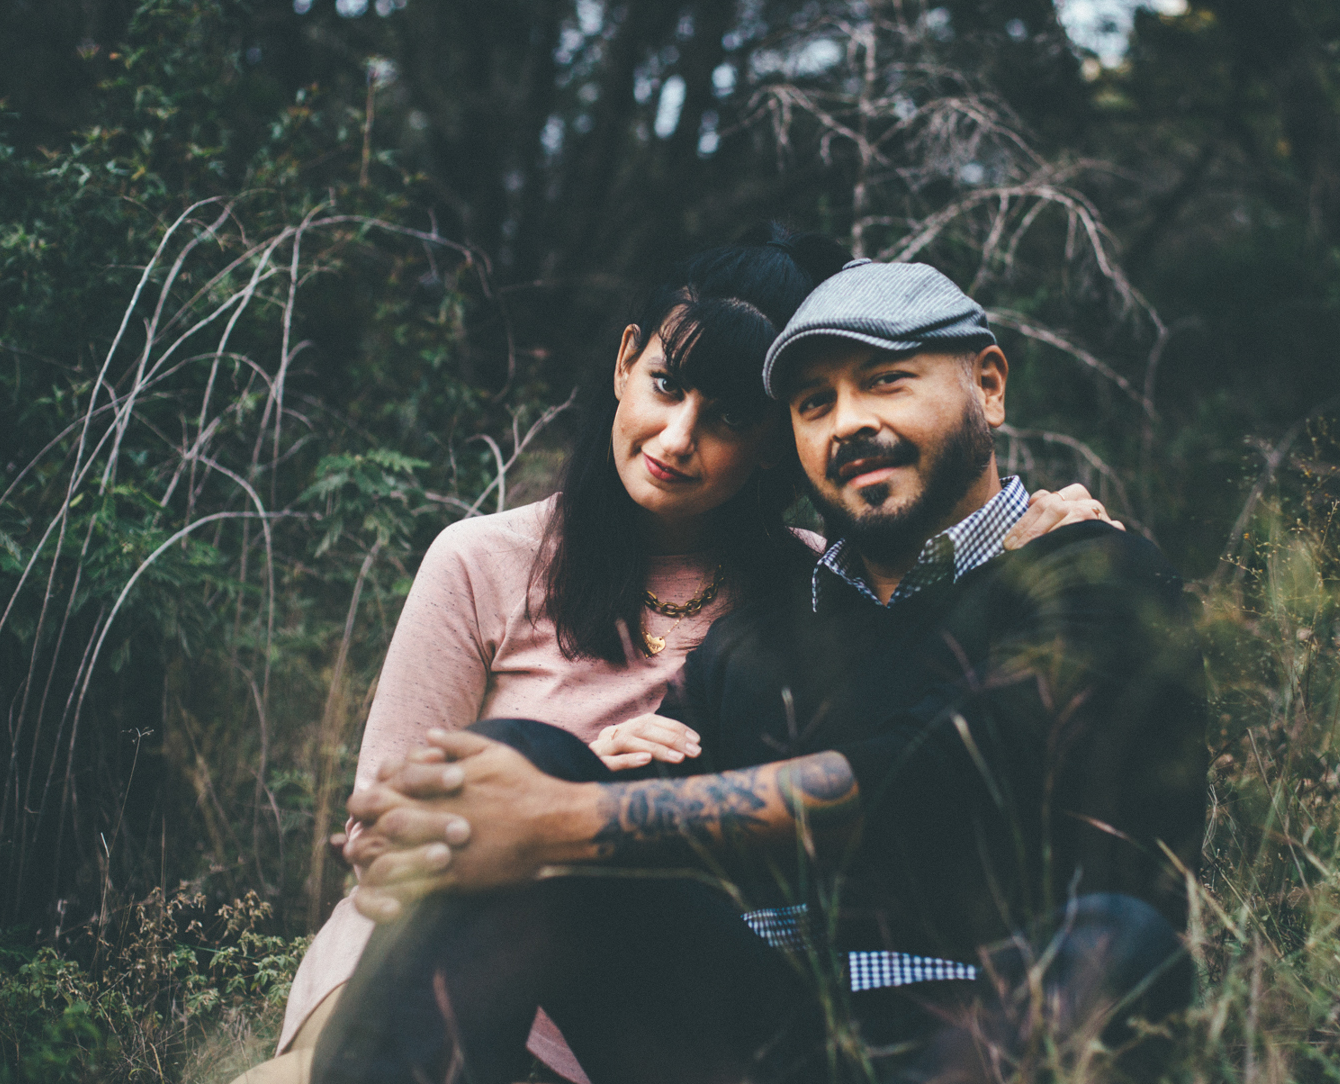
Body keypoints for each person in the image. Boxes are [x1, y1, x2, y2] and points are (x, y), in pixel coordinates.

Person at [249, 234, 1112, 1084]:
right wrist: (568, 786)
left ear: (776, 440)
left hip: (647, 979)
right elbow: (384, 834)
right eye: (667, 385)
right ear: (627, 363)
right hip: (445, 929)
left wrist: (1033, 546)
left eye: (732, 416)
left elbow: (925, 653)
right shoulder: (481, 560)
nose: (678, 435)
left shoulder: (814, 586)